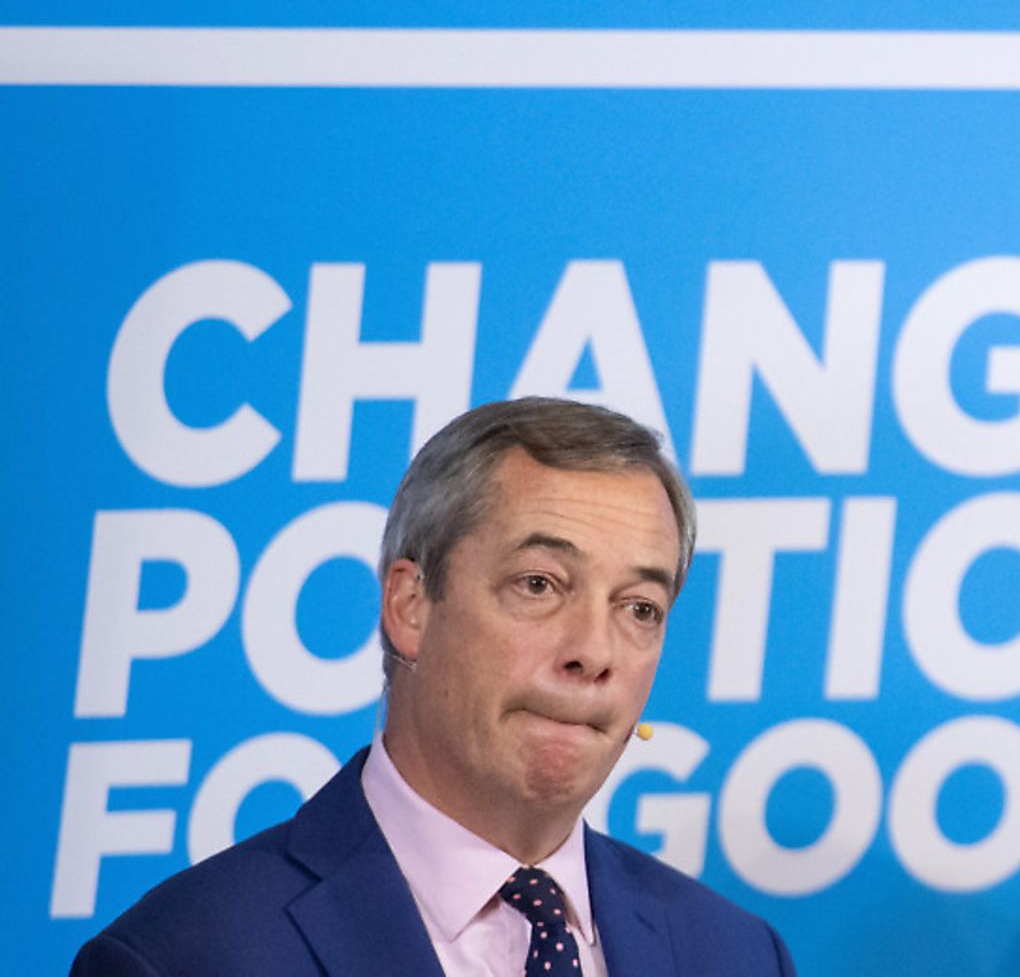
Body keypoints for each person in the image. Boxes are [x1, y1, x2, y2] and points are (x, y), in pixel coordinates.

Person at [72, 397, 795, 976]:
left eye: (639, 608)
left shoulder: (736, 954)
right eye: (539, 585)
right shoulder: (189, 957)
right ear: (410, 607)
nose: (593, 653)